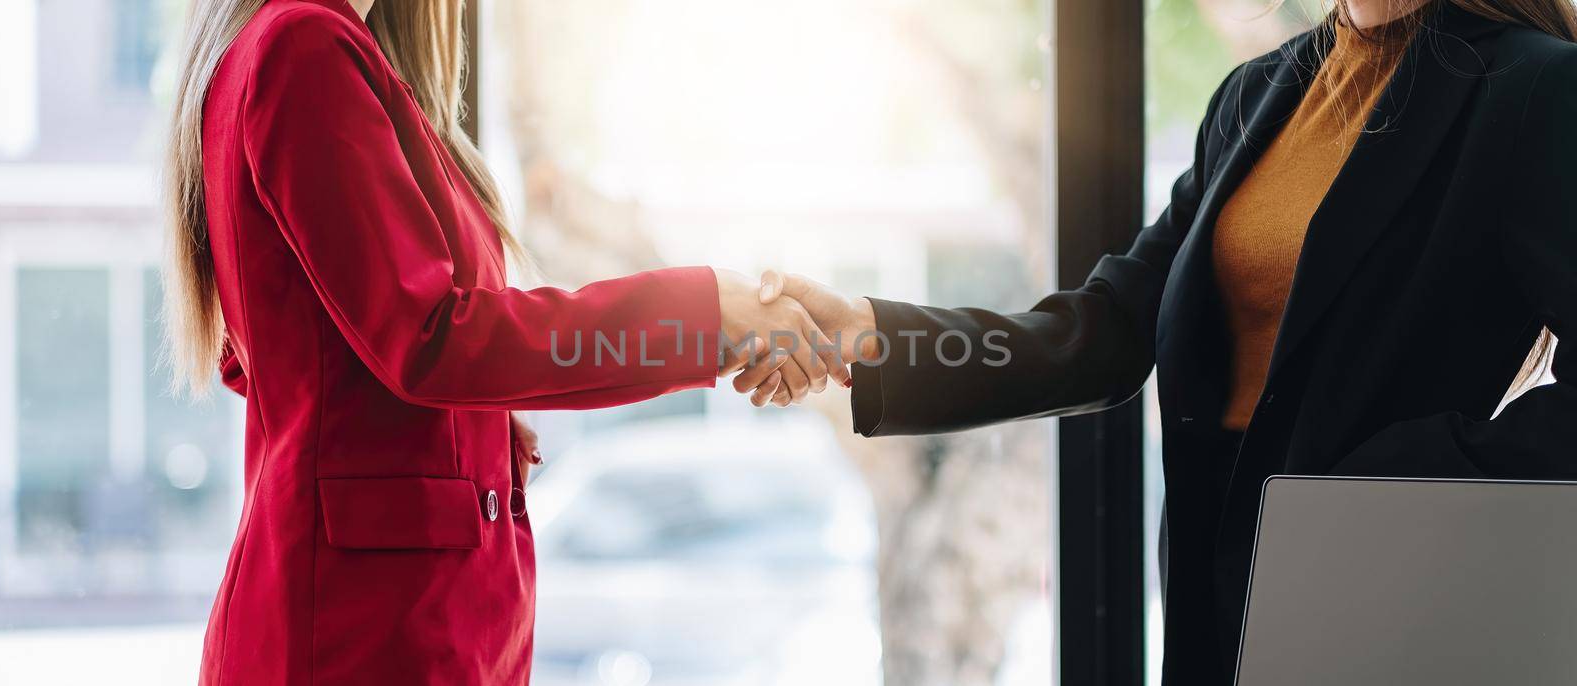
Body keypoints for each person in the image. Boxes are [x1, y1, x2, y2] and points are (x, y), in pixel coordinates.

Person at [756, 0, 1577, 683]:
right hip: (1206, 587)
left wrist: (1403, 479)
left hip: (1388, 586)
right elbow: (1105, 329)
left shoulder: (1536, 88)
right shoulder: (1259, 93)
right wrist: (872, 336)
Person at [162, 0, 844, 683]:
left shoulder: (320, 52)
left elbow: (327, 351)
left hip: (404, 620)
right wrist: (702, 318)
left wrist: (474, 421)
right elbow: (427, 339)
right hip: (360, 632)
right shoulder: (302, 44)